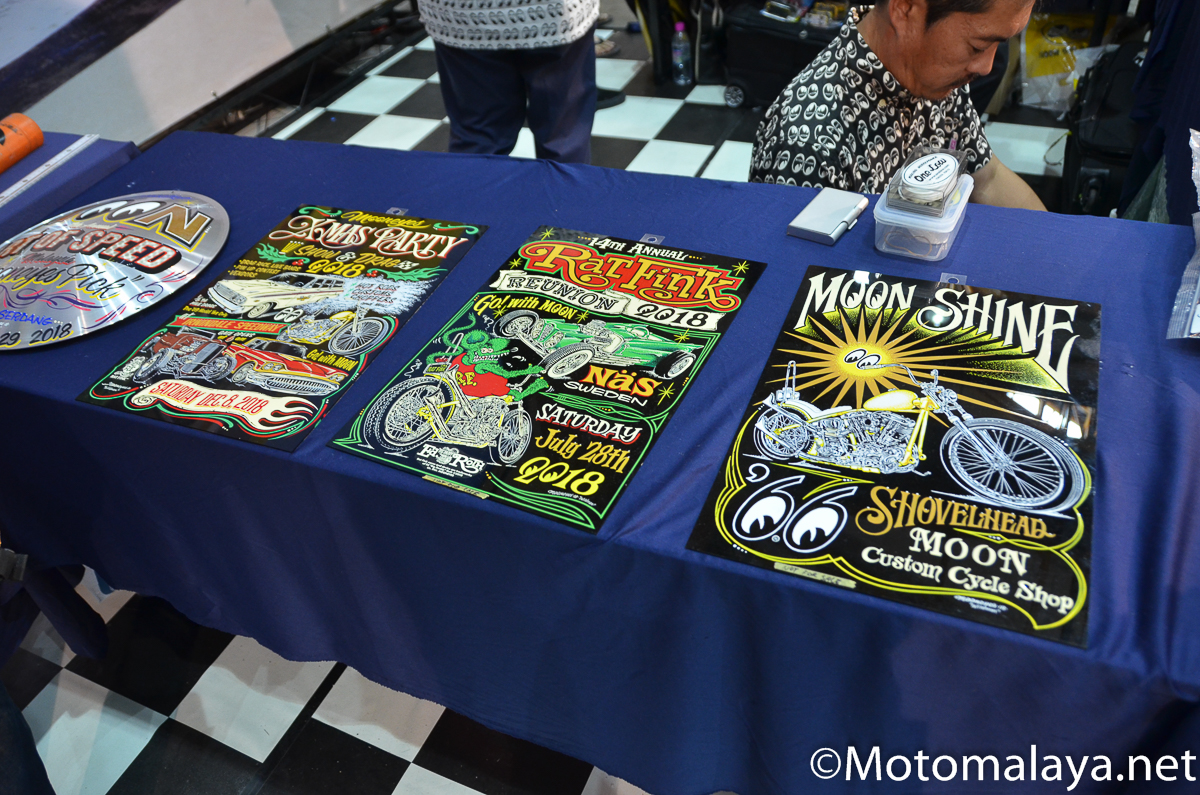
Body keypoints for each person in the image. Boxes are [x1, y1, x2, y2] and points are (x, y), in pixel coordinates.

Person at [751, 0, 1046, 211]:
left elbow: (988, 177)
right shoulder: (809, 142)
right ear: (905, 10)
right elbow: (801, 271)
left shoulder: (935, 75)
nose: (986, 66)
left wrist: (1058, 251)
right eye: (978, 46)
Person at [419, 0, 598, 163]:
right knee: (563, 138)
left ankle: (475, 188)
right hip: (552, 15)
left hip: (461, 16)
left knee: (478, 138)